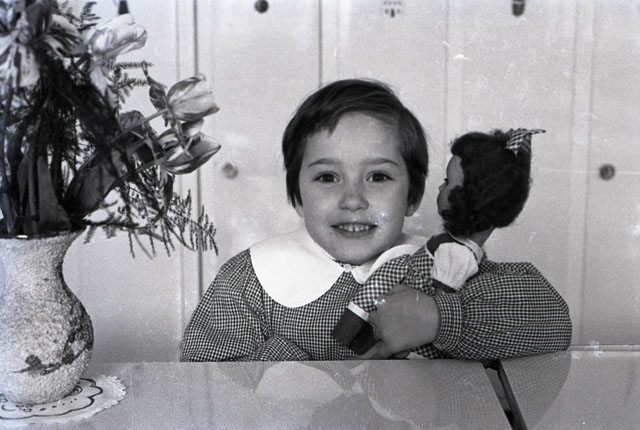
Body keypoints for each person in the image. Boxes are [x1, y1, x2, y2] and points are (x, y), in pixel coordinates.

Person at [180, 79, 571, 362]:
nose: (353, 199)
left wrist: (438, 318)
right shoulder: (249, 280)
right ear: (297, 195)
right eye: (327, 177)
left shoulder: (442, 265)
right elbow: (203, 381)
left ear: (413, 195)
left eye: (378, 177)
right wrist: (295, 373)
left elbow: (550, 321)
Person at [332, 128, 561, 359]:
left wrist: (433, 316)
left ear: (470, 199)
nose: (440, 188)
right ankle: (352, 332)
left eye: (447, 182)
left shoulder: (462, 258)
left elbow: (440, 294)